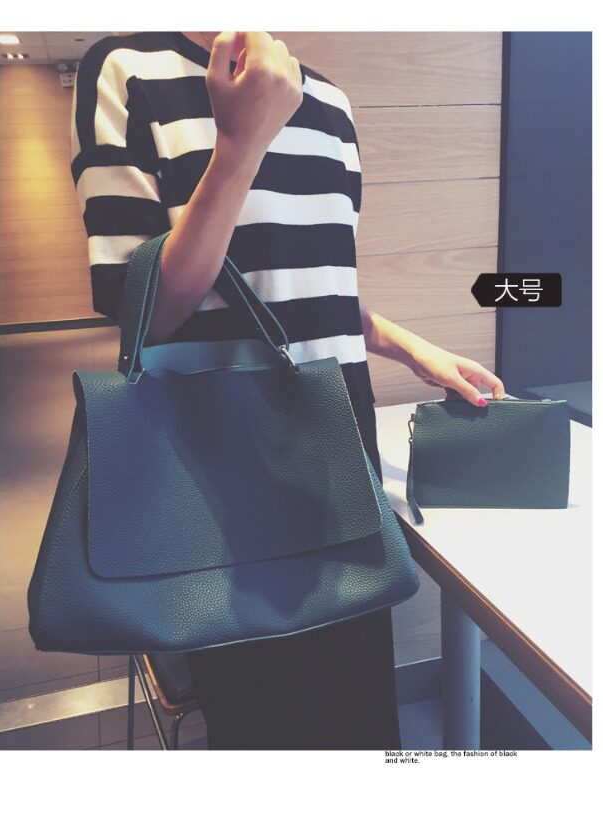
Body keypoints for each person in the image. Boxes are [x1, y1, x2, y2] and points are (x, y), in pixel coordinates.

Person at [71, 30, 506, 750]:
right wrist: (241, 144)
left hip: (340, 438)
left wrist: (413, 349)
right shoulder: (126, 71)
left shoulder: (329, 100)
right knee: (265, 728)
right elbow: (141, 307)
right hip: (220, 465)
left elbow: (309, 284)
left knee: (363, 716)